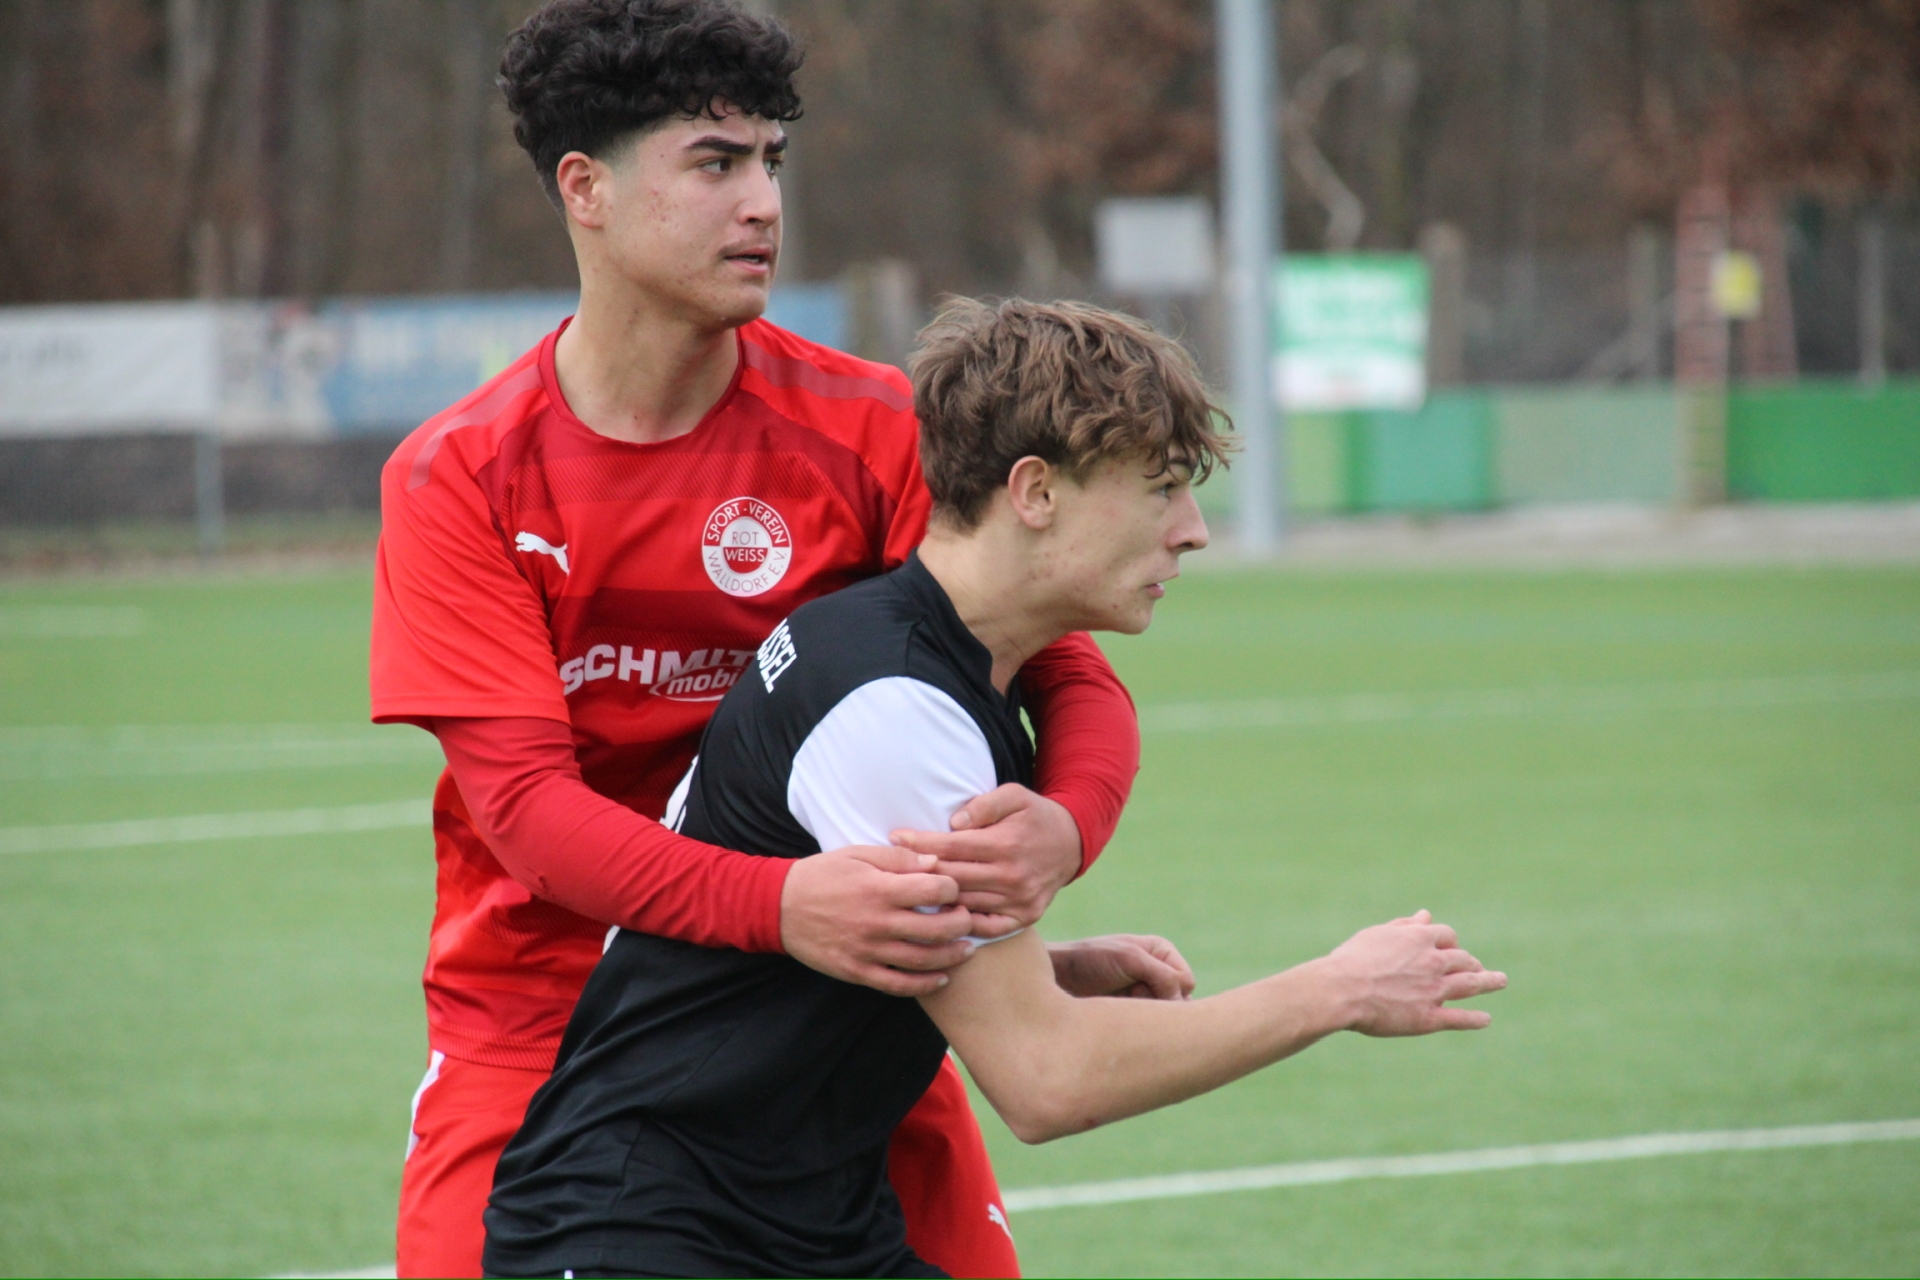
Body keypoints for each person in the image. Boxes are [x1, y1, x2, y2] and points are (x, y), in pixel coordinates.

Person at [369, 3, 1167, 1276]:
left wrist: (1067, 825)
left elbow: (1068, 665)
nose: (762, 204)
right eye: (713, 162)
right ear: (584, 188)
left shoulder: (872, 426)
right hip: (547, 1013)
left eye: (770, 161)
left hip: (838, 1000)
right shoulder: (459, 478)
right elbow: (526, 812)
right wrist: (780, 902)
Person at [482, 298, 1510, 1279]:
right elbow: (1045, 1079)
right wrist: (1338, 988)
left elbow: (809, 970)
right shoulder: (894, 701)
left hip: (796, 1225)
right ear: (1035, 492)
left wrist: (1036, 968)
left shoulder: (920, 654)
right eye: (1160, 487)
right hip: (646, 1227)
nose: (1193, 529)